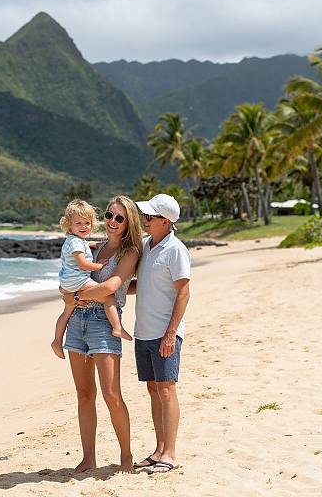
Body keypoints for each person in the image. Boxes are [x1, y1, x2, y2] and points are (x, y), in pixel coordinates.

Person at [61, 195, 144, 473]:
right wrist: (72, 297)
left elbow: (111, 285)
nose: (112, 221)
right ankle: (88, 458)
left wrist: (73, 295)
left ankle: (126, 456)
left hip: (104, 323)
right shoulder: (91, 248)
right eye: (109, 215)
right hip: (77, 321)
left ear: (128, 222)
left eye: (119, 218)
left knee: (111, 394)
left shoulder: (129, 252)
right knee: (84, 394)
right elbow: (72, 273)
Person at [132, 193, 191, 474]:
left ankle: (170, 453)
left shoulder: (176, 249)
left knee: (166, 390)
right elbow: (140, 285)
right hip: (143, 333)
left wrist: (171, 333)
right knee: (153, 389)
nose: (145, 220)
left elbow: (184, 291)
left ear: (165, 221)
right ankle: (158, 450)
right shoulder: (147, 246)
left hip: (165, 334)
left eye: (150, 216)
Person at [52, 199, 132, 359]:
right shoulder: (76, 242)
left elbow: (78, 249)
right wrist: (99, 266)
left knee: (66, 311)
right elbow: (82, 264)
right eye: (79, 223)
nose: (83, 227)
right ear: (69, 225)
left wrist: (72, 297)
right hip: (78, 280)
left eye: (87, 223)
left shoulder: (77, 241)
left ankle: (56, 340)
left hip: (70, 283)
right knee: (108, 297)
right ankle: (117, 327)